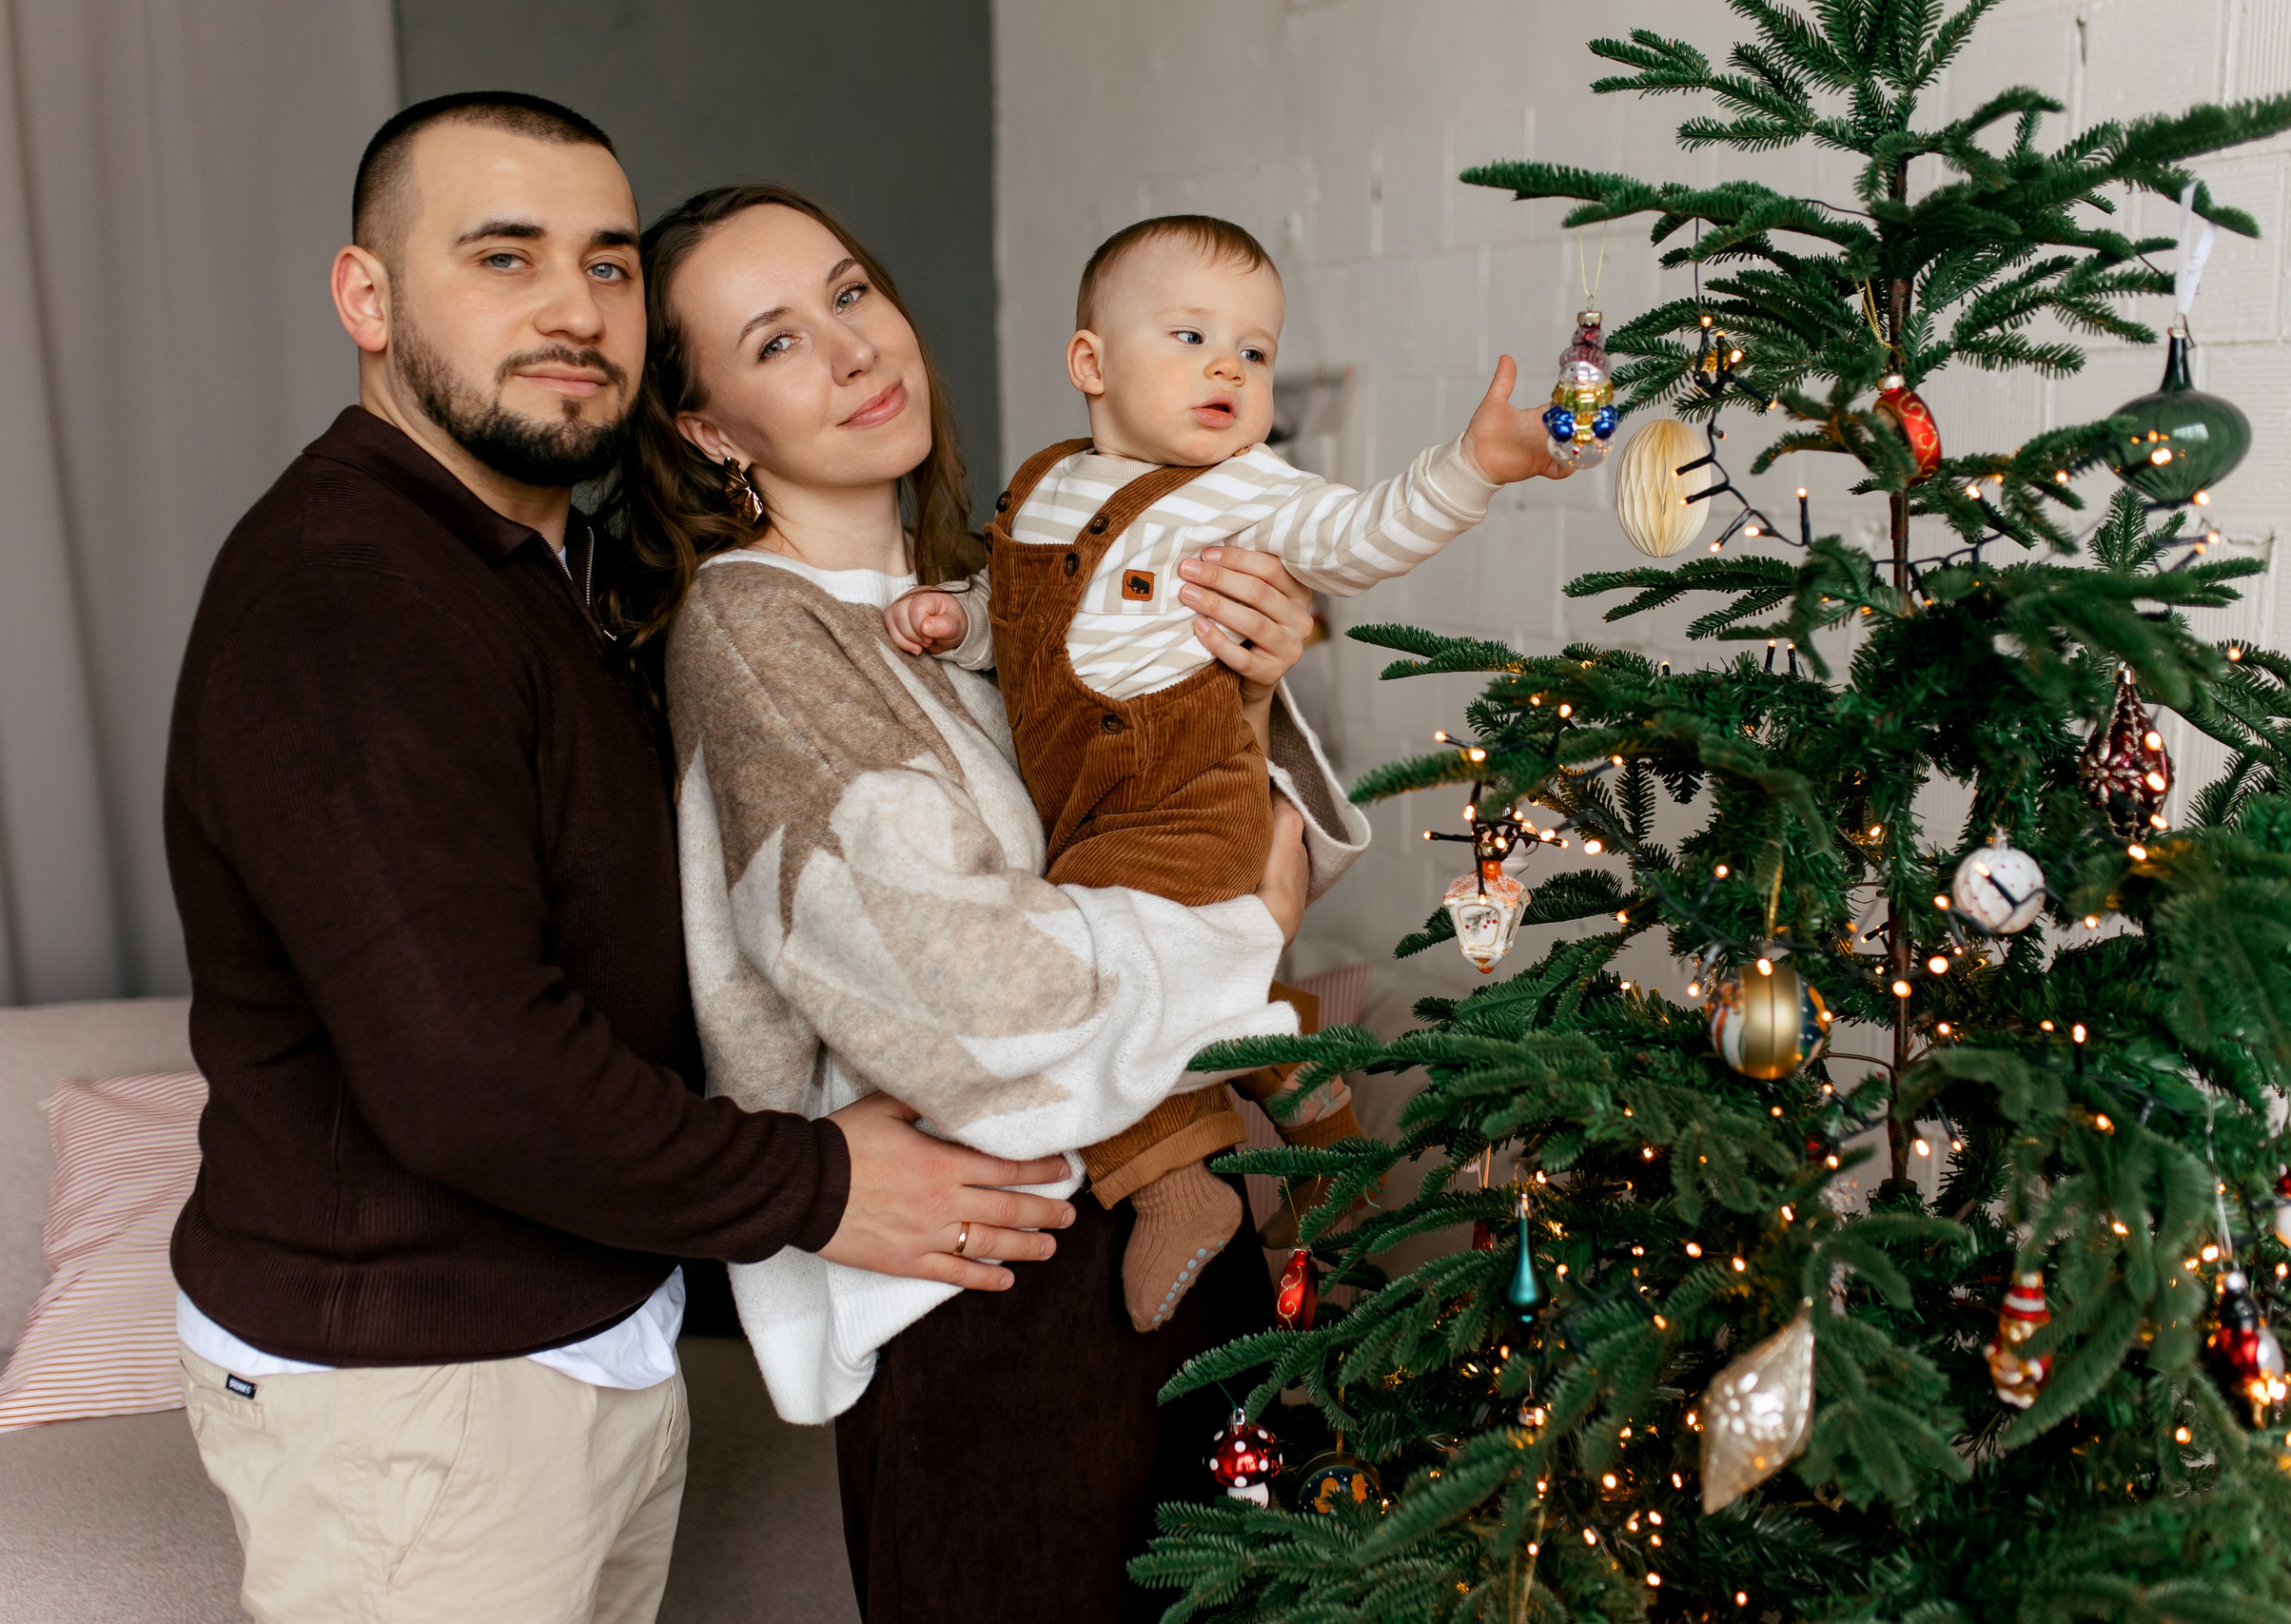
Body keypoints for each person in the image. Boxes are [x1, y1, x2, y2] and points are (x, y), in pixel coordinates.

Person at [163, 92, 1079, 1624]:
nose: (573, 311)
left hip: (576, 1340)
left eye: (603, 264)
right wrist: (818, 1182)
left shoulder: (531, 567)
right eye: (503, 257)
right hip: (422, 1393)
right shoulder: (347, 600)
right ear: (366, 298)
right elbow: (468, 1066)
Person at [612, 182, 1358, 1622]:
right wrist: (1245, 936)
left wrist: (1250, 691)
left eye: (848, 291)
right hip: (999, 1287)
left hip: (1182, 1209)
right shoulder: (753, 629)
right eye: (771, 342)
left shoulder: (1000, 579)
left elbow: (1193, 837)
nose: (848, 349)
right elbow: (960, 985)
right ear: (707, 430)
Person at [883, 214, 1570, 1329]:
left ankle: (1179, 1186)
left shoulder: (1251, 489)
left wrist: (1471, 467)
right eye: (1192, 335)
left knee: (1078, 995)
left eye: (1254, 351)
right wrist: (951, 620)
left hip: (1185, 797)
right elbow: (1030, 626)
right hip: (1085, 803)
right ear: (1091, 365)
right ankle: (1304, 1091)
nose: (1227, 367)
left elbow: (1361, 531)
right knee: (1170, 990)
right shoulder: (1045, 483)